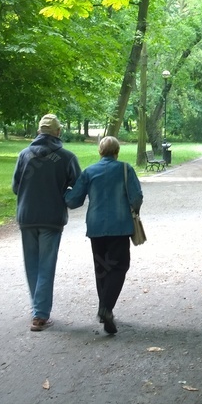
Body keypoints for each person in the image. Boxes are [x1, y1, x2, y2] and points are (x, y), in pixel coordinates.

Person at [64, 135, 143, 335]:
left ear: (100, 152)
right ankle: (106, 308)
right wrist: (133, 209)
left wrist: (64, 191)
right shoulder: (126, 169)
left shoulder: (89, 172)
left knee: (102, 268)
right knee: (120, 266)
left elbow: (74, 201)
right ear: (117, 152)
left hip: (96, 228)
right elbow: (136, 197)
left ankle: (105, 308)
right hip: (120, 227)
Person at [12, 114, 81, 332]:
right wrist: (66, 197)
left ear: (39, 132)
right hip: (51, 217)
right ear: (58, 132)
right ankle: (40, 314)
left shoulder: (24, 155)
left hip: (27, 216)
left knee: (32, 264)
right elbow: (78, 188)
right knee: (46, 265)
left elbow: (16, 187)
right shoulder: (67, 157)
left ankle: (38, 309)